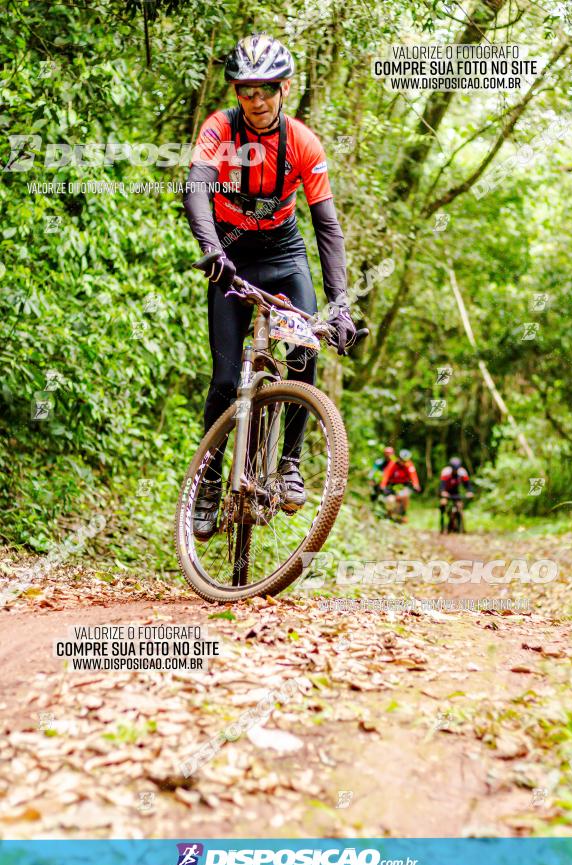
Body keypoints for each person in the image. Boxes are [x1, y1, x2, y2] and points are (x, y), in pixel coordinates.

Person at [183, 34, 357, 540]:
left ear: (283, 89)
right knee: (221, 380)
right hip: (231, 255)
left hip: (282, 255)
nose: (255, 102)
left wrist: (340, 303)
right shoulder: (220, 128)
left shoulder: (302, 142)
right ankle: (211, 482)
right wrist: (213, 249)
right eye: (245, 91)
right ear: (236, 93)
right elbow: (196, 188)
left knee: (304, 351)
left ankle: (289, 463)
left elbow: (326, 226)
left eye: (265, 90)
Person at [379, 448, 421, 521]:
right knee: (390, 500)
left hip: (403, 485)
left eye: (405, 461)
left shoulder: (409, 464)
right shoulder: (393, 464)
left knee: (405, 497)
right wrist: (382, 485)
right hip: (392, 485)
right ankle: (389, 515)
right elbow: (386, 474)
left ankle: (403, 514)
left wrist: (416, 485)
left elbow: (413, 476)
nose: (403, 462)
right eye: (402, 460)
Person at [439, 456, 474, 532]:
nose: (455, 471)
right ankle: (442, 522)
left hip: (455, 492)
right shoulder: (445, 472)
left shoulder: (462, 472)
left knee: (459, 506)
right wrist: (443, 492)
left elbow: (468, 485)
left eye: (456, 469)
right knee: (443, 503)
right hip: (446, 491)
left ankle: (462, 527)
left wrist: (470, 492)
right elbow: (442, 485)